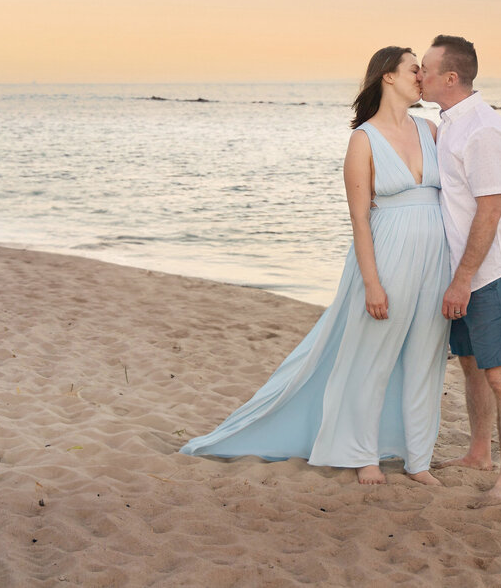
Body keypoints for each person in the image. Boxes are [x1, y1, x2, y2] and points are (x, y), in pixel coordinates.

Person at [180, 46, 451, 486]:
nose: (422, 75)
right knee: (373, 360)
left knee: (426, 358)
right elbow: (360, 217)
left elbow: (457, 197)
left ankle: (418, 460)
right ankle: (363, 455)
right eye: (413, 68)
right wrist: (371, 283)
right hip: (388, 255)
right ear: (387, 76)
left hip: (435, 257)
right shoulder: (363, 139)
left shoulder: (431, 130)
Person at [419, 35, 501, 507]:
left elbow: (488, 213)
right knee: (471, 367)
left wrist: (463, 278)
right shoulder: (449, 124)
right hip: (461, 271)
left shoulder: (484, 130)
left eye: (424, 68)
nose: (418, 75)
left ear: (450, 77)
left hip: (489, 273)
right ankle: (478, 454)